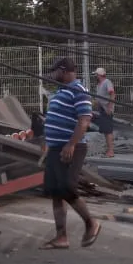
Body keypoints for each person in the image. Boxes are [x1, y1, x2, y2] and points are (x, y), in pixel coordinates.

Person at [40, 57, 101, 250]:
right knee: (55, 191)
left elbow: (84, 121)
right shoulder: (61, 91)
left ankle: (91, 223)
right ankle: (61, 237)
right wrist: (49, 144)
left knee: (67, 187)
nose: (52, 75)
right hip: (55, 147)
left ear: (65, 70)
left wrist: (71, 145)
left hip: (71, 147)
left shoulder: (79, 91)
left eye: (54, 71)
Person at [93, 67, 116, 158]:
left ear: (99, 75)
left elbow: (112, 94)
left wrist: (109, 107)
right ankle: (108, 150)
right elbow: (99, 98)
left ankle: (110, 151)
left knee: (108, 131)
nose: (95, 76)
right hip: (102, 109)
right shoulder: (99, 85)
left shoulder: (107, 82)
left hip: (106, 109)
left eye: (96, 74)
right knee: (106, 131)